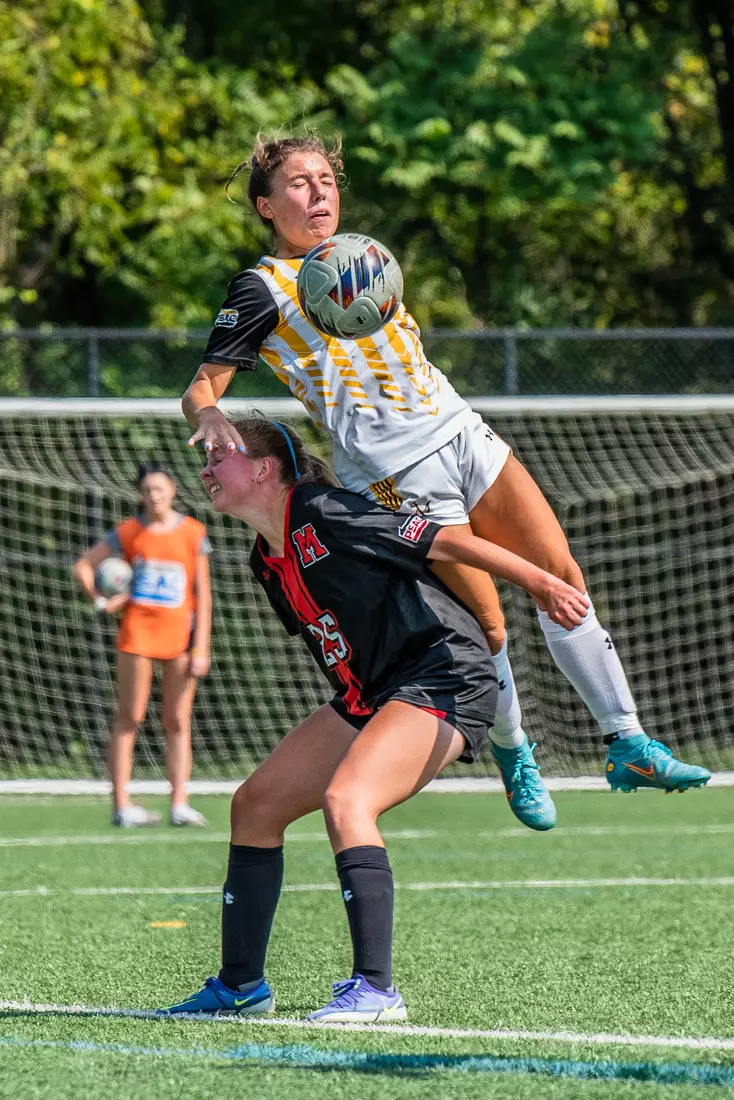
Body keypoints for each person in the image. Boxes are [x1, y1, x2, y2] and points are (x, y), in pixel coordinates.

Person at [181, 134, 710, 830]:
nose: (318, 193)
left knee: (560, 576)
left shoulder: (366, 258)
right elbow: (200, 386)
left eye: (326, 180)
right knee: (488, 622)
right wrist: (212, 415)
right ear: (265, 205)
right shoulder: (262, 288)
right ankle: (515, 749)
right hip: (391, 473)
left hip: (461, 429)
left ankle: (627, 740)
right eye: (299, 184)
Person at [163, 417, 589, 1021]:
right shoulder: (265, 558)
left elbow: (443, 540)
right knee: (255, 805)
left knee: (348, 800)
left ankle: (376, 991)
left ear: (262, 468)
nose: (204, 470)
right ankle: (240, 988)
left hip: (445, 672)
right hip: (378, 691)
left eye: (217, 458)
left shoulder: (326, 509)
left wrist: (541, 580)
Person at [74, 462, 212, 828]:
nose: (153, 495)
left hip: (181, 639)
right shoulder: (130, 532)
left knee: (177, 720)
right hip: (137, 635)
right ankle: (122, 806)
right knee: (129, 718)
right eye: (147, 490)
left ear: (173, 490)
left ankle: (179, 804)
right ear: (140, 494)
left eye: (159, 488)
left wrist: (201, 647)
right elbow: (84, 566)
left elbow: (203, 595)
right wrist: (102, 600)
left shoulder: (194, 533)